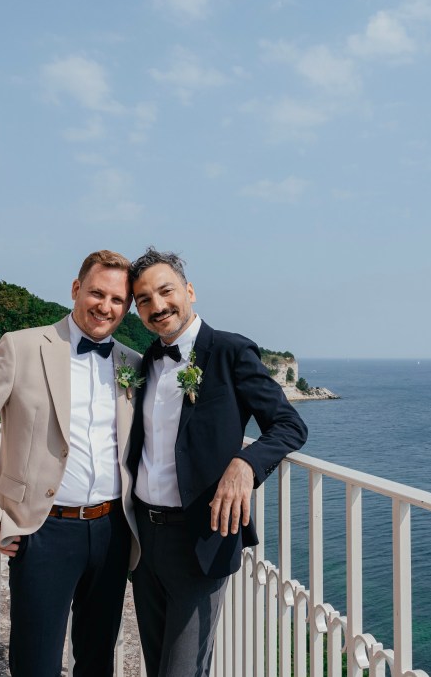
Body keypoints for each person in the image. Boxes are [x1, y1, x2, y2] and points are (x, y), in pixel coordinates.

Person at [0, 250, 142, 677]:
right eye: (96, 293)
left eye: (117, 300)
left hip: (112, 531)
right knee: (35, 662)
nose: (105, 307)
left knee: (97, 659)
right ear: (75, 289)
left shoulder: (132, 363)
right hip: (42, 528)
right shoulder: (22, 346)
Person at [127, 247, 308, 677]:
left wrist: (245, 464)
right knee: (157, 666)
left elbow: (289, 425)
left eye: (165, 291)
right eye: (144, 300)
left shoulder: (229, 351)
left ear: (188, 290)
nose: (158, 306)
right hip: (143, 542)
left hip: (199, 540)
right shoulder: (146, 361)